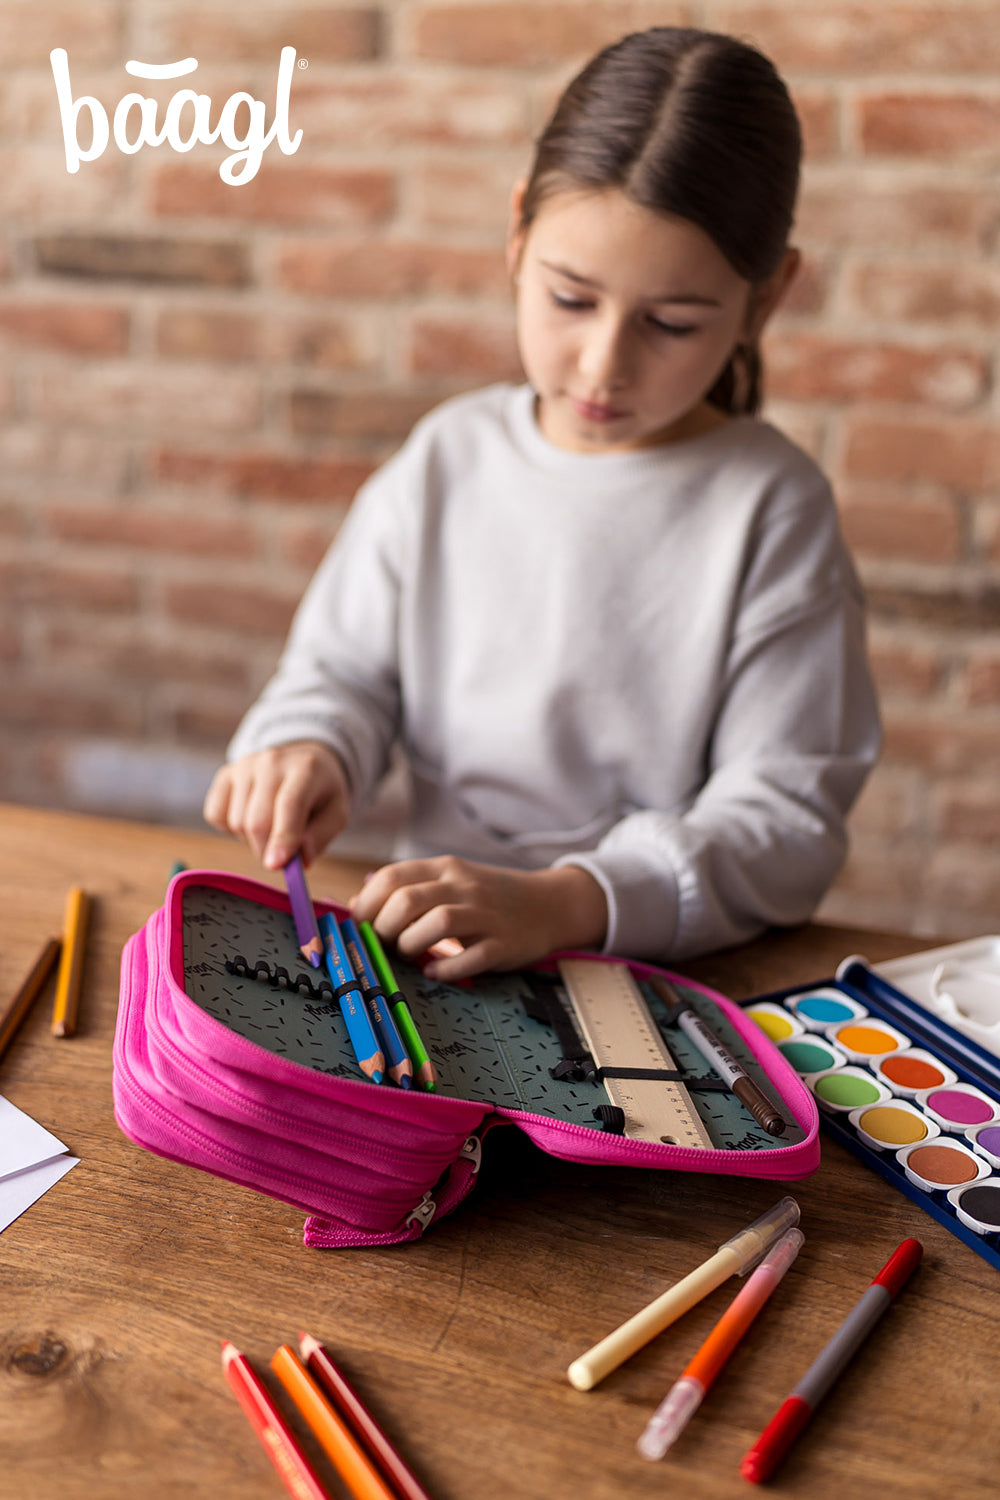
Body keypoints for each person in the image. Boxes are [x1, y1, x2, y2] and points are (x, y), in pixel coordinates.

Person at [204, 25, 880, 981]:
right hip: (426, 958)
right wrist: (308, 745)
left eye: (671, 323)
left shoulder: (771, 509)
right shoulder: (448, 458)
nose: (604, 364)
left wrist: (567, 902)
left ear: (764, 301)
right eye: (571, 300)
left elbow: (784, 820)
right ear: (518, 234)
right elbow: (342, 672)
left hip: (648, 978)